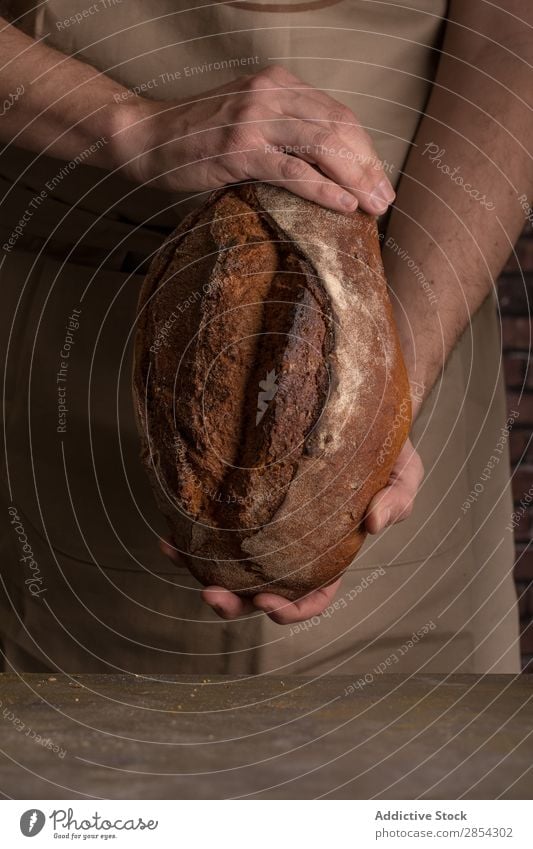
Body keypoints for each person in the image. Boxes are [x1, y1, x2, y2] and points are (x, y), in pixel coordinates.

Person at [0, 1, 529, 675]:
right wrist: (128, 125)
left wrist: (386, 393)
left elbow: (511, 32)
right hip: (76, 322)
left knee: (409, 753)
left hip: (420, 293)